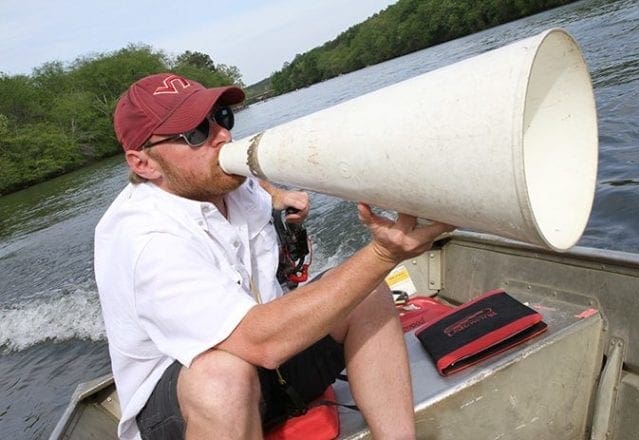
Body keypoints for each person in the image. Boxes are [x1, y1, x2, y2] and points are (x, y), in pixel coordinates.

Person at [94, 72, 454, 440]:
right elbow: (258, 343)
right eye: (196, 133)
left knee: (367, 295)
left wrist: (277, 196)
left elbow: (252, 177)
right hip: (192, 406)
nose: (222, 136)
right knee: (221, 378)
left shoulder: (218, 179)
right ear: (144, 164)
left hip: (268, 372)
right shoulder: (146, 239)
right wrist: (383, 254)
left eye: (222, 118)